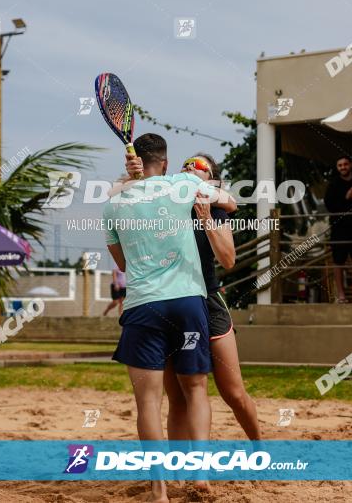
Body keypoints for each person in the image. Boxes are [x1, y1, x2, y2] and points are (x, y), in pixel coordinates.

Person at [104, 133, 222, 503]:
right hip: (188, 300)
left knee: (148, 403)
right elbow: (225, 198)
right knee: (196, 390)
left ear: (134, 160)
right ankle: (200, 470)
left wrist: (128, 183)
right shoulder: (184, 183)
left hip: (143, 305)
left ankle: (159, 490)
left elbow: (122, 264)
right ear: (166, 162)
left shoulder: (113, 203)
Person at [126, 152, 262, 441]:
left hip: (208, 301)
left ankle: (260, 447)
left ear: (212, 180)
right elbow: (141, 192)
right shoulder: (168, 203)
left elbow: (228, 259)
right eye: (184, 164)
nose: (189, 168)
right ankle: (179, 471)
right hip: (174, 302)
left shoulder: (217, 209)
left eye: (198, 166)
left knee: (233, 392)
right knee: (179, 398)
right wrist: (134, 172)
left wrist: (207, 219)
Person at [324, 155, 352, 303]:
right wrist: (346, 197)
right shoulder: (333, 184)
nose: (343, 167)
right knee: (338, 261)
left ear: (351, 165)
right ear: (337, 168)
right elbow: (330, 206)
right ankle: (341, 295)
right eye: (340, 165)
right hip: (339, 228)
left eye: (345, 164)